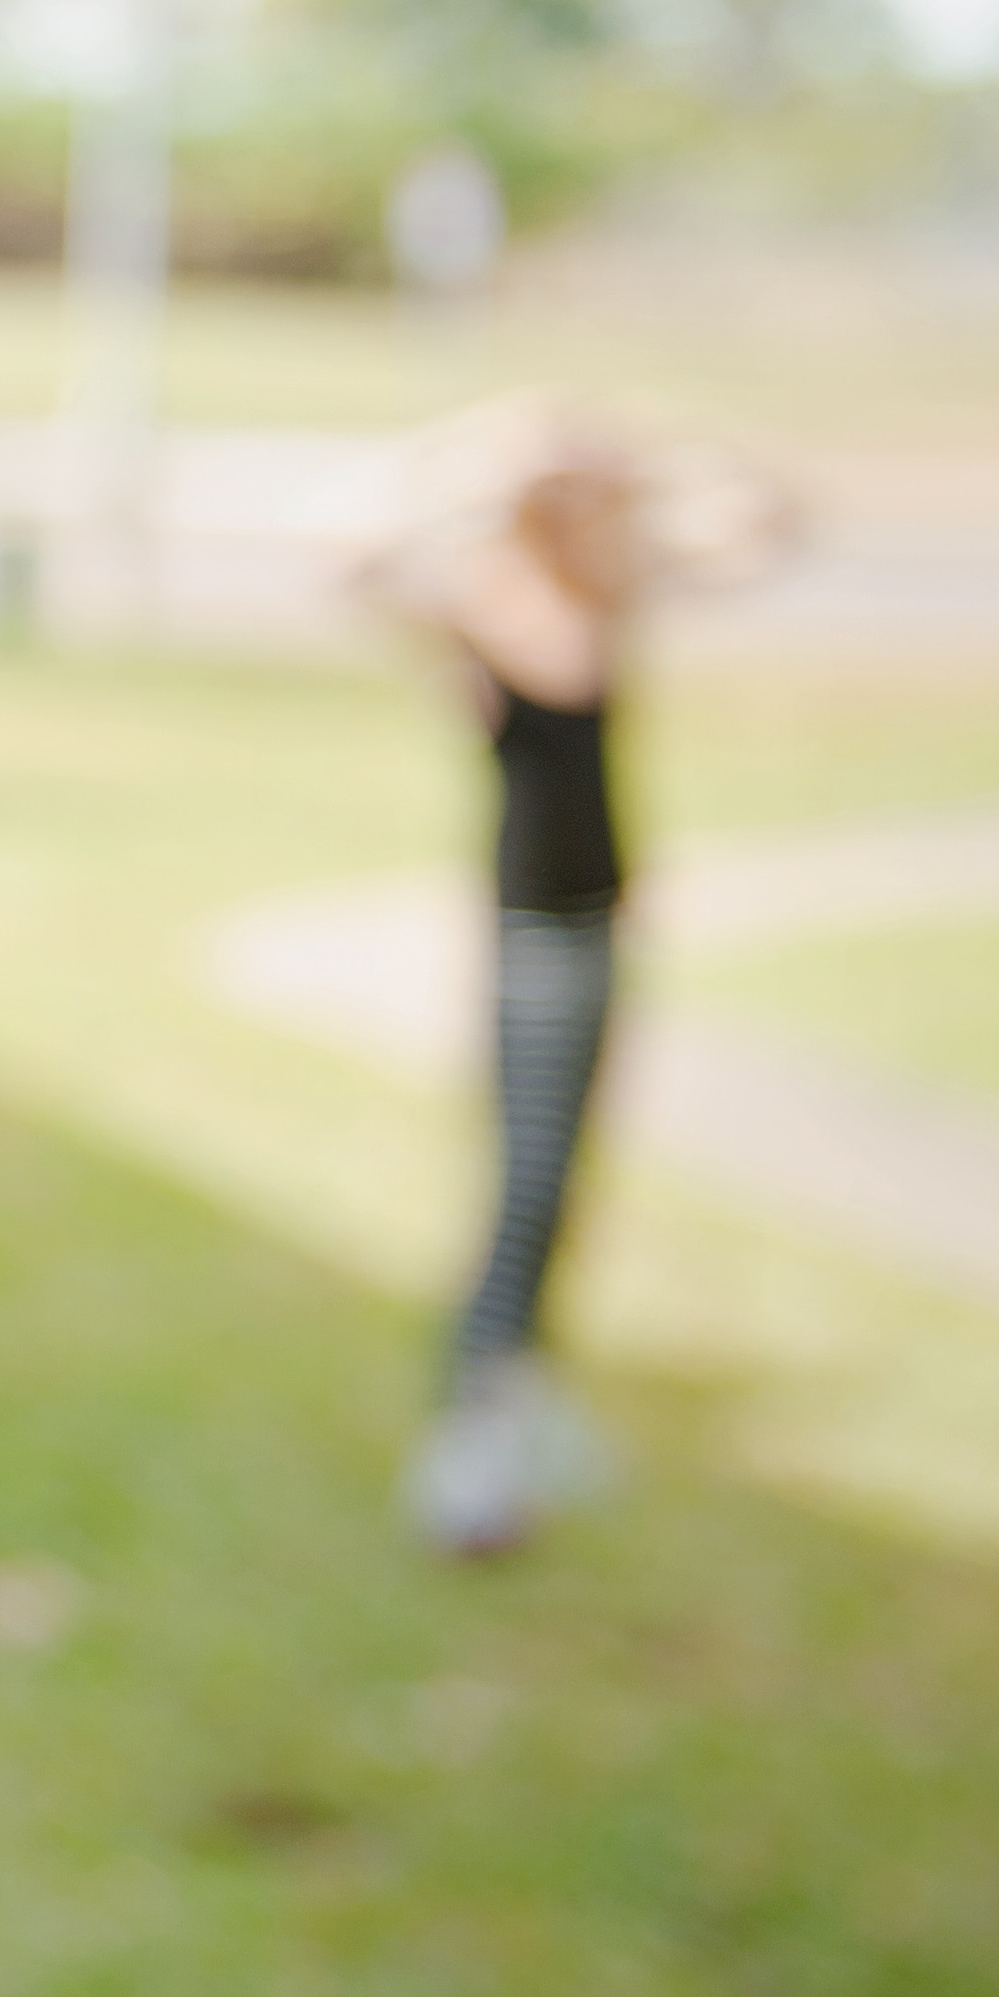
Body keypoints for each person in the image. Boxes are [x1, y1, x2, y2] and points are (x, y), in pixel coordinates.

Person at [352, 395, 791, 1558]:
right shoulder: (490, 595)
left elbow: (770, 524)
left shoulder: (602, 579)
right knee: (524, 1185)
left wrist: (642, 467)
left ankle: (521, 1397)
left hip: (596, 927)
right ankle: (472, 1431)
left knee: (562, 1184)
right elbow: (357, 561)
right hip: (533, 933)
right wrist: (472, 467)